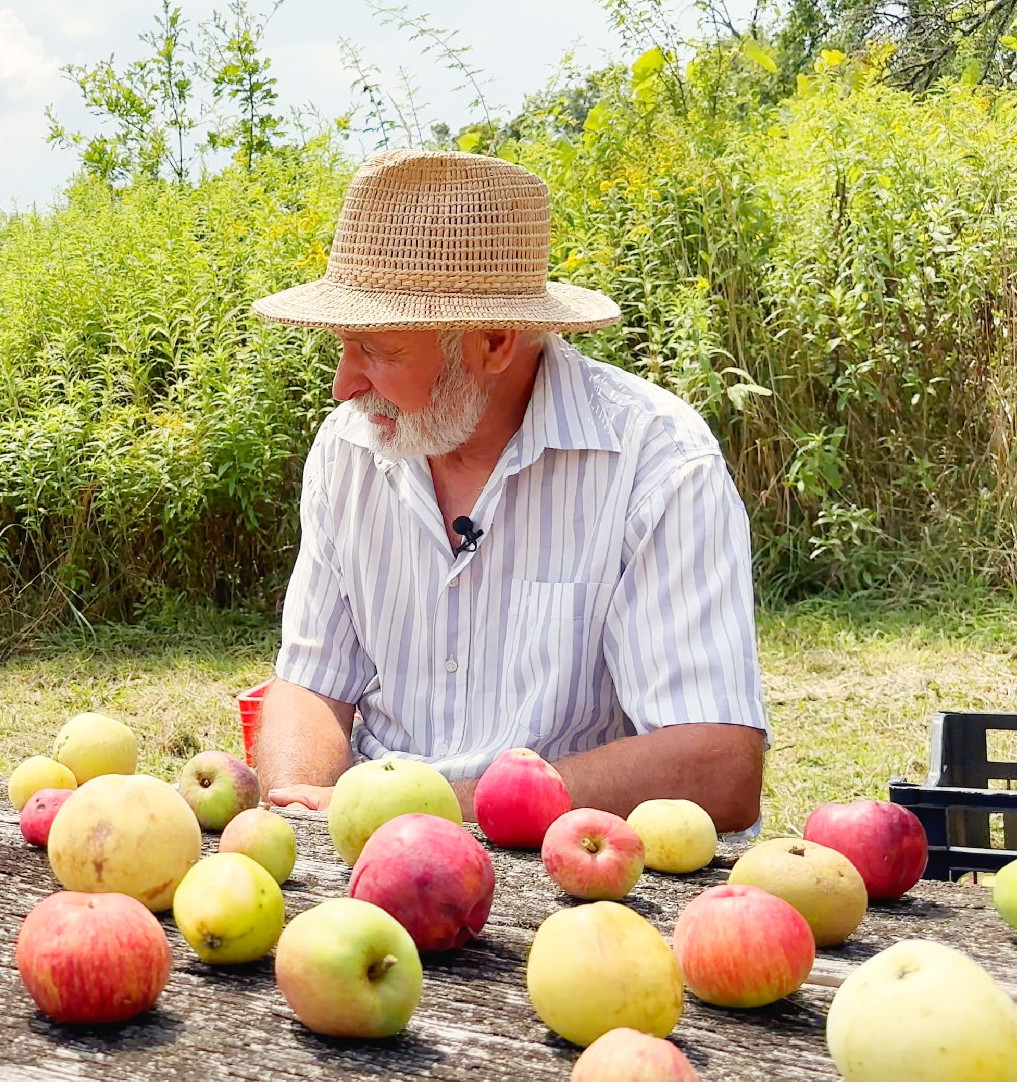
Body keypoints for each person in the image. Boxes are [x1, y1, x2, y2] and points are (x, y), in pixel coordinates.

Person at [250, 148, 768, 834]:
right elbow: (312, 681)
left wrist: (435, 814)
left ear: (493, 342)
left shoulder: (657, 461)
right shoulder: (350, 448)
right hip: (369, 854)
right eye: (343, 348)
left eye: (375, 350)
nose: (343, 385)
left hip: (569, 871)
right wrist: (299, 805)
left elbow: (716, 767)